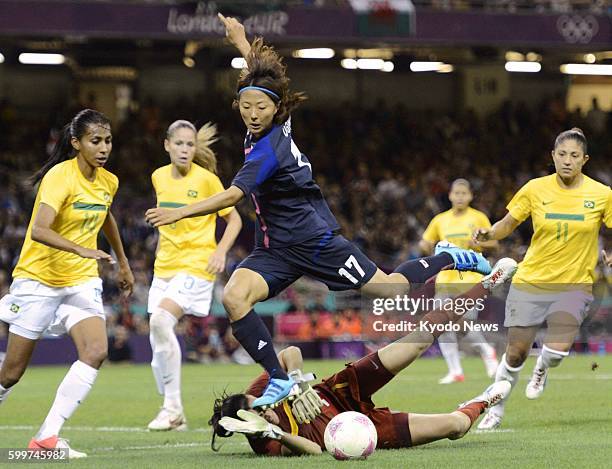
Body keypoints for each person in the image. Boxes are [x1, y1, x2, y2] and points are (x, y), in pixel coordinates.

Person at [145, 14, 493, 411]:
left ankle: (450, 255)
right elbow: (263, 78)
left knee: (394, 288)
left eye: (261, 107)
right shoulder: (270, 119)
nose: (253, 113)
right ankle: (277, 378)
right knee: (235, 296)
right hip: (276, 248)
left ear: (276, 111)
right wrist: (240, 42)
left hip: (315, 240)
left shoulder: (265, 151)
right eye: (246, 106)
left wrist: (179, 213)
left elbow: (232, 197)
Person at [209, 258, 518, 456]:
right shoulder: (265, 442)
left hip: (339, 390)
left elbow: (291, 353)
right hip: (361, 426)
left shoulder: (258, 391)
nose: (265, 411)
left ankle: (487, 284)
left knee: (418, 341)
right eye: (259, 418)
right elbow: (313, 451)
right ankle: (484, 400)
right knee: (454, 427)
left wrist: (297, 382)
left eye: (259, 408)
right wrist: (275, 430)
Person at [0, 109, 134, 457]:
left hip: (80, 280)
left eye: (107, 140)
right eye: (95, 141)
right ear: (76, 143)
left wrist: (123, 262)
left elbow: (105, 217)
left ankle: (47, 438)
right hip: (38, 279)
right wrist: (81, 249)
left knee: (96, 351)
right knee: (11, 373)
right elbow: (40, 230)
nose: (103, 148)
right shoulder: (60, 176)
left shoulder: (109, 181)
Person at [473, 128, 611, 430]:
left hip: (575, 284)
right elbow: (509, 223)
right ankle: (495, 410)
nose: (567, 161)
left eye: (574, 156)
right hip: (531, 280)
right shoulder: (535, 189)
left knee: (557, 352)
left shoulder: (602, 194)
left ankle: (543, 367)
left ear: (584, 160)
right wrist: (490, 234)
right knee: (515, 353)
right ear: (552, 156)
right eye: (561, 154)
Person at [146, 120, 242, 431]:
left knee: (161, 321)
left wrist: (221, 251)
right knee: (156, 335)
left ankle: (172, 409)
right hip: (164, 266)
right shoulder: (158, 177)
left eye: (190, 145)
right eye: (180, 144)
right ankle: (175, 413)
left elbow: (235, 220)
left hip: (198, 263)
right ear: (167, 145)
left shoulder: (208, 180)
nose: (186, 150)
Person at [419, 178, 499, 384]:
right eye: (457, 193)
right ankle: (455, 371)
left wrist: (482, 242)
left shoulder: (478, 217)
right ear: (450, 195)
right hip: (445, 280)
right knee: (440, 323)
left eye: (464, 193)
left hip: (469, 279)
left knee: (462, 322)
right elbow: (426, 243)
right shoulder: (440, 220)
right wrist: (426, 247)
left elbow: (494, 243)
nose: (460, 196)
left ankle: (486, 350)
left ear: (471, 196)